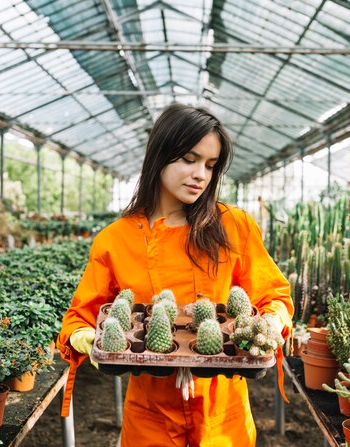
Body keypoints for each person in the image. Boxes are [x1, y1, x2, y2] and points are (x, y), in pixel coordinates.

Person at [57, 103, 293, 447]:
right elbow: (80, 315)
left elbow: (273, 295)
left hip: (223, 412)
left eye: (210, 165)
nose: (201, 174)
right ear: (160, 156)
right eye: (188, 159)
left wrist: (272, 322)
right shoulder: (115, 239)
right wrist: (85, 337)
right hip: (150, 410)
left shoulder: (234, 226)